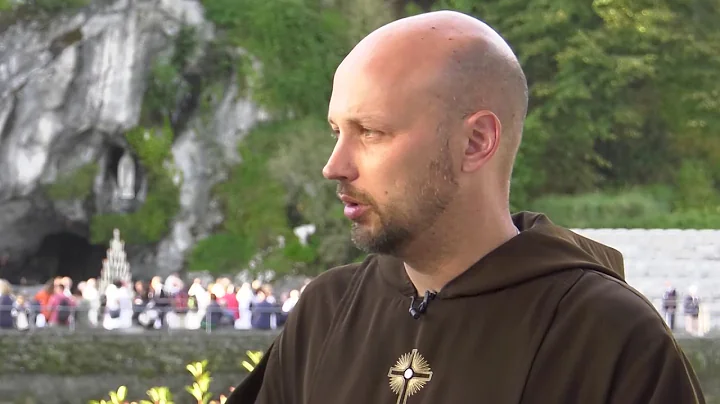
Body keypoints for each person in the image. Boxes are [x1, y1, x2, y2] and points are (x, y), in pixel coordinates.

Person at [227, 10, 705, 404]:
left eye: (370, 132)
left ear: (476, 141)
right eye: (338, 132)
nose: (334, 166)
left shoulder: (605, 336)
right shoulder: (327, 312)